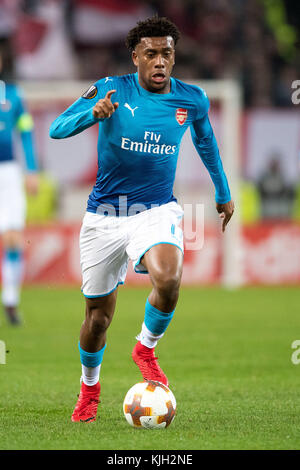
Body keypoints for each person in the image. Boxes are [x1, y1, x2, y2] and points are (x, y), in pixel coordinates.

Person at [49, 16, 234, 423]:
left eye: (166, 53)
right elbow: (56, 129)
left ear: (174, 55)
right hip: (105, 217)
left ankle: (145, 347)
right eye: (150, 53)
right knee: (97, 319)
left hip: (156, 209)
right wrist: (91, 115)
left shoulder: (192, 99)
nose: (160, 61)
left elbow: (206, 143)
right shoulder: (111, 88)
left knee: (168, 279)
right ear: (135, 57)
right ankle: (90, 389)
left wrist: (222, 192)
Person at [0, 37, 39, 325]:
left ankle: (11, 300)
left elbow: (25, 134)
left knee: (13, 238)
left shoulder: (13, 95)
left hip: (9, 173)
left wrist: (32, 170)